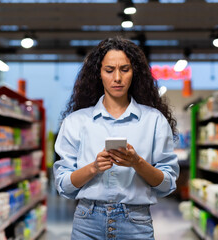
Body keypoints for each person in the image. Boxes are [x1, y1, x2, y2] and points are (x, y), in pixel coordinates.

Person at [53, 36, 179, 240]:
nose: (117, 78)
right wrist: (93, 168)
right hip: (87, 223)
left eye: (125, 69)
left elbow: (167, 184)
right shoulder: (76, 122)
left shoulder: (154, 120)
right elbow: (63, 185)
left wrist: (137, 163)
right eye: (109, 70)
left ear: (134, 73)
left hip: (136, 223)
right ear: (99, 74)